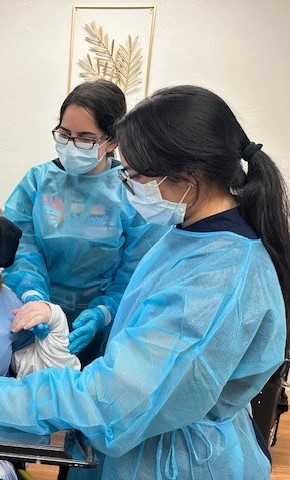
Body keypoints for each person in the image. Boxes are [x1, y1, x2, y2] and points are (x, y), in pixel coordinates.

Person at [0, 84, 289, 480]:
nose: (127, 186)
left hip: (173, 462)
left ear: (188, 175)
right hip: (138, 439)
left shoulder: (218, 278)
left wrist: (9, 397)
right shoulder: (186, 231)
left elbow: (113, 400)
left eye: (133, 176)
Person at [3, 79, 167, 367]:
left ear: (112, 140)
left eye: (85, 138)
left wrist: (103, 312)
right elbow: (23, 249)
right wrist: (33, 297)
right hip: (35, 314)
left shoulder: (131, 192)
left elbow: (139, 267)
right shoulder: (37, 182)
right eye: (64, 134)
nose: (71, 144)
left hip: (105, 325)